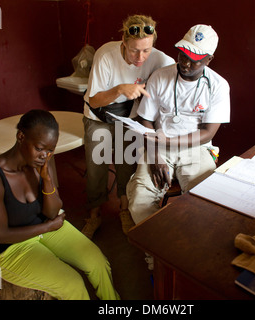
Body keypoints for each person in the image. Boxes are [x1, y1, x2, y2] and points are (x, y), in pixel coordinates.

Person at [0, 109, 119, 300]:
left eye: (50, 150)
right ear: (20, 136)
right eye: (40, 148)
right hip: (10, 248)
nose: (45, 155)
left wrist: (47, 179)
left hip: (44, 227)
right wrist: (48, 227)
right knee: (73, 285)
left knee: (98, 262)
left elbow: (51, 211)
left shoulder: (42, 163)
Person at [127, 24, 231, 230]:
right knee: (139, 198)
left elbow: (207, 133)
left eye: (195, 59)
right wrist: (155, 155)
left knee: (204, 201)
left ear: (209, 59)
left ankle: (183, 242)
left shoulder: (218, 86)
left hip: (196, 148)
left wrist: (170, 141)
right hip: (158, 146)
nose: (185, 63)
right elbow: (146, 120)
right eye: (182, 54)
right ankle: (158, 245)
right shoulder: (160, 77)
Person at [82, 14, 175, 239]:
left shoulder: (161, 59)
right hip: (98, 115)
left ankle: (124, 210)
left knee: (126, 164)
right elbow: (93, 100)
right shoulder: (106, 55)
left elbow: (178, 75)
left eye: (146, 50)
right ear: (124, 42)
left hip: (128, 116)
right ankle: (95, 214)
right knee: (97, 165)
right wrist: (120, 90)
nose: (140, 57)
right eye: (134, 50)